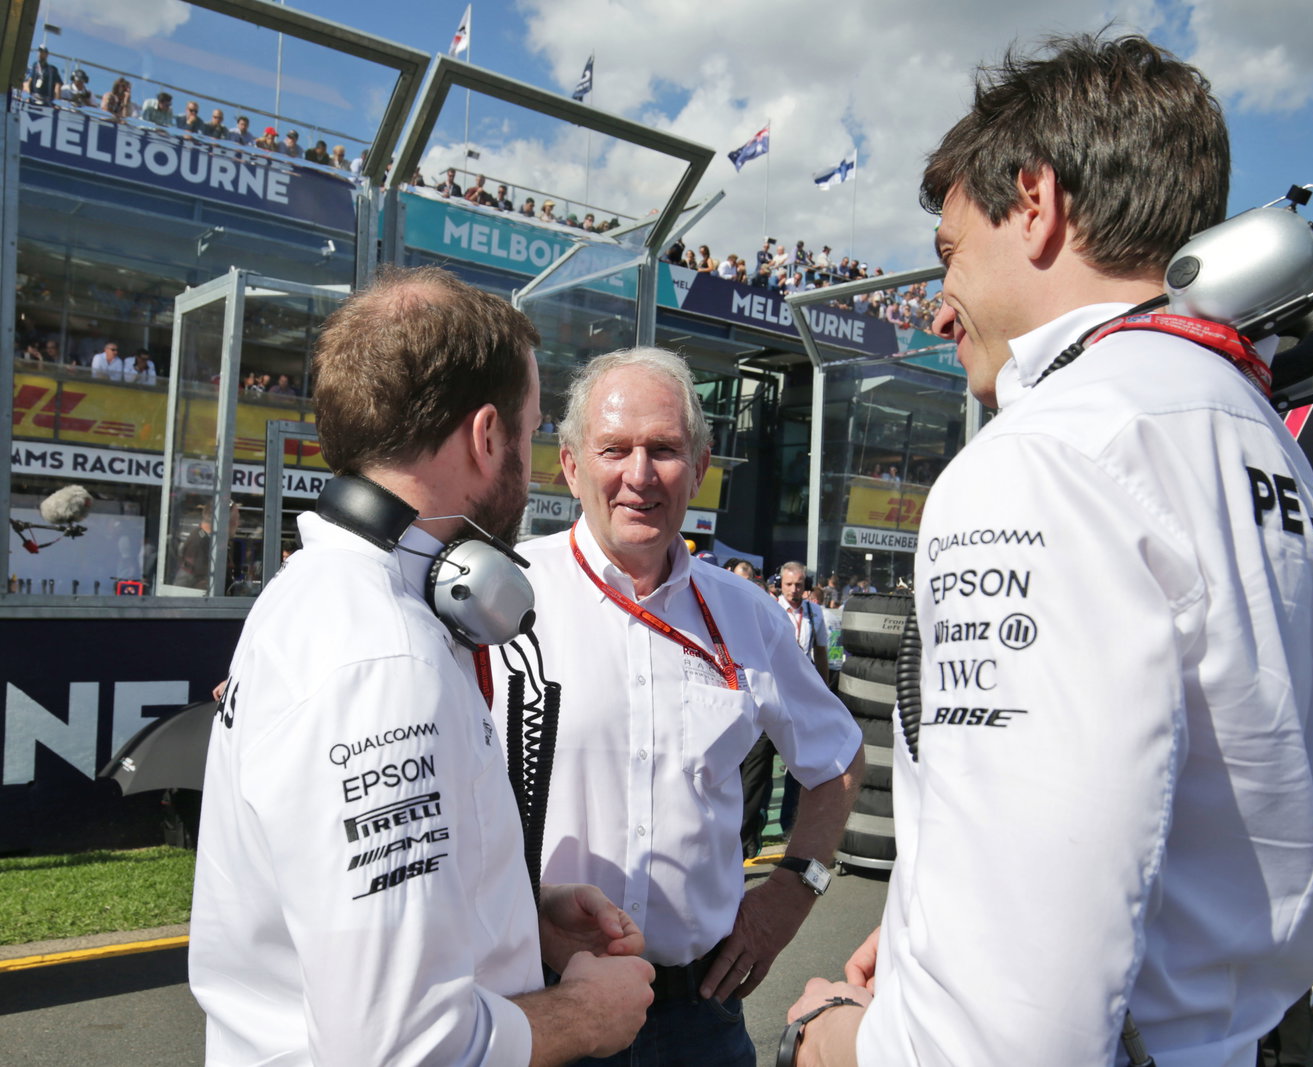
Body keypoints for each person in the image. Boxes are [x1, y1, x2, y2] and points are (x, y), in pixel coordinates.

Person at [782, 33, 1313, 1067]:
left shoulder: (1050, 449)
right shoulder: (1259, 446)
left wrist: (832, 1038)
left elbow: (1005, 1041)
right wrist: (939, 936)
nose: (937, 306)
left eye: (948, 253)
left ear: (1035, 201)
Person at [189, 267, 655, 1065]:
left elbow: (338, 902)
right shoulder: (383, 658)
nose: (536, 462)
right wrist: (583, 1012)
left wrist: (515, 907)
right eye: (533, 431)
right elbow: (400, 1047)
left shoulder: (319, 596)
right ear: (484, 436)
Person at [492, 347, 863, 1066]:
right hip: (541, 1001)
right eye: (614, 449)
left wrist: (791, 892)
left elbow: (839, 759)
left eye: (664, 449)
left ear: (700, 464)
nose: (639, 475)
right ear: (571, 465)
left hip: (699, 1016)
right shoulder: (507, 596)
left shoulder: (746, 614)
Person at [740, 562, 831, 857]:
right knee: (755, 772)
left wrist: (824, 695)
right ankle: (745, 840)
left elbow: (821, 655)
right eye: (790, 585)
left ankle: (792, 833)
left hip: (799, 704)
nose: (794, 590)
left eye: (800, 584)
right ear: (781, 584)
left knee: (801, 770)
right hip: (769, 700)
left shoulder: (816, 614)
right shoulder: (768, 607)